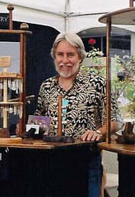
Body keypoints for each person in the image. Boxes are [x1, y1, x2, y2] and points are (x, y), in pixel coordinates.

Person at [35, 32, 122, 197]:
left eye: (70, 55)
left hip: (86, 161)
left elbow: (116, 121)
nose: (65, 60)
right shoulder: (47, 87)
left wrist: (98, 132)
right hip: (53, 163)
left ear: (80, 57)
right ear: (54, 56)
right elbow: (40, 119)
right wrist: (30, 127)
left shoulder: (97, 84)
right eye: (60, 54)